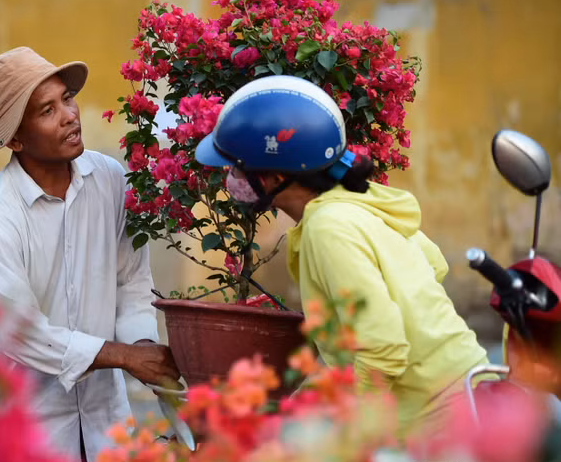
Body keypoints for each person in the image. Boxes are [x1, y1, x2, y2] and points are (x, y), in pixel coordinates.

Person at [195, 75, 489, 434]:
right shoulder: (359, 204)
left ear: (272, 176)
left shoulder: (329, 227)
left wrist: (335, 428)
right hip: (471, 389)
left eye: (236, 167)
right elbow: (433, 265)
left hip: (440, 422)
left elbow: (382, 348)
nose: (230, 176)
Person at [0, 47, 180, 462]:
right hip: (26, 431)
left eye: (67, 98)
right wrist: (123, 357)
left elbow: (132, 283)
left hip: (106, 427)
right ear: (16, 139)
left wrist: (141, 349)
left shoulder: (110, 180)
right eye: (47, 110)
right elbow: (20, 334)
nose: (69, 115)